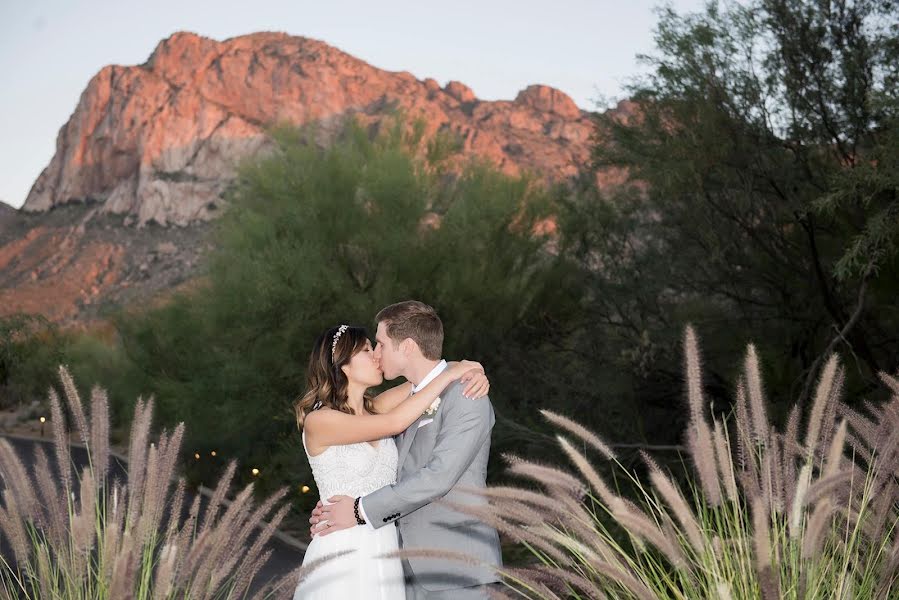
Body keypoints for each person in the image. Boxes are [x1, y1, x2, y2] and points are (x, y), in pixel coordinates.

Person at [309, 301, 503, 599]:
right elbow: (399, 419)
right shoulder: (335, 418)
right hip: (375, 556)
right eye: (367, 349)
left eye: (380, 344)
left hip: (449, 567)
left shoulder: (462, 395)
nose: (376, 353)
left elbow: (438, 476)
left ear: (408, 347)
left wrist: (467, 370)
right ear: (342, 366)